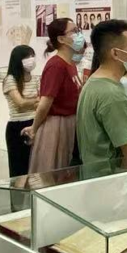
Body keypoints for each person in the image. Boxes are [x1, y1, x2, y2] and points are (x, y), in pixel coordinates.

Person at [76, 19, 127, 168]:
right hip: (111, 177)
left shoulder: (93, 82)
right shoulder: (112, 94)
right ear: (115, 53)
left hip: (95, 173)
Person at [25, 18, 84, 173]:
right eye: (74, 31)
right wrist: (34, 128)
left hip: (71, 122)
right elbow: (45, 102)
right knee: (55, 172)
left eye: (78, 30)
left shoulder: (70, 63)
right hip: (58, 126)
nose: (79, 34)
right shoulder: (56, 65)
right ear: (61, 39)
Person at [2, 45, 39, 177]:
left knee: (34, 167)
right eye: (27, 57)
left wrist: (31, 101)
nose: (31, 59)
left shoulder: (35, 79)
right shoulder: (10, 79)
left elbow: (41, 102)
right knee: (19, 170)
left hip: (35, 123)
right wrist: (35, 101)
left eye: (32, 56)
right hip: (17, 126)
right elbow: (20, 103)